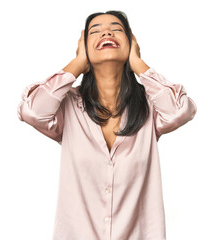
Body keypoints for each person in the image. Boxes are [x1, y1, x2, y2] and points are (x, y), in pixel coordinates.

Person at [17, 10, 197, 240]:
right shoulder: (68, 106)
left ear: (131, 43)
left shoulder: (150, 104)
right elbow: (32, 111)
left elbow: (180, 110)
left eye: (117, 28)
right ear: (84, 47)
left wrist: (139, 65)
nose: (106, 32)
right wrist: (76, 64)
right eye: (95, 31)